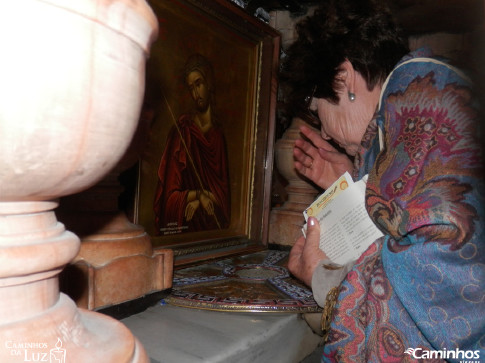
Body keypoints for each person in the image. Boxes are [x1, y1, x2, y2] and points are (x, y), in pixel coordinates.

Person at [280, 0, 484, 361]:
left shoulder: (424, 101)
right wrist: (355, 183)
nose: (324, 134)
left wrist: (323, 278)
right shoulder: (413, 95)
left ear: (344, 78)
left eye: (316, 110)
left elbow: (440, 285)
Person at [153, 54, 231, 235]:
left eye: (199, 84)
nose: (196, 93)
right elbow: (169, 200)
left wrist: (201, 200)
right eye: (191, 88)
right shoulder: (182, 133)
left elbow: (224, 201)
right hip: (186, 229)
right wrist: (198, 195)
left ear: (209, 83)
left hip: (211, 233)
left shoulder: (218, 136)